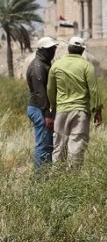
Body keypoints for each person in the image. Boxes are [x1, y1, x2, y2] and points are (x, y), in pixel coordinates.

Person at [47, 36, 102, 167]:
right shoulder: (87, 66)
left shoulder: (56, 65)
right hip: (80, 112)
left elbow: (50, 89)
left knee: (59, 145)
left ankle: (57, 176)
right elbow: (94, 90)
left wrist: (52, 107)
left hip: (61, 111)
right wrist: (97, 111)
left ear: (68, 49)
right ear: (82, 51)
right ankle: (73, 178)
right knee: (76, 146)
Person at [25, 36, 59, 171]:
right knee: (43, 145)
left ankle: (46, 175)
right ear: (42, 50)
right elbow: (40, 93)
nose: (53, 51)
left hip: (42, 109)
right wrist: (48, 115)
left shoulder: (44, 63)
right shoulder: (38, 66)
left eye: (54, 48)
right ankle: (40, 179)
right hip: (39, 109)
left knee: (48, 144)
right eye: (51, 49)